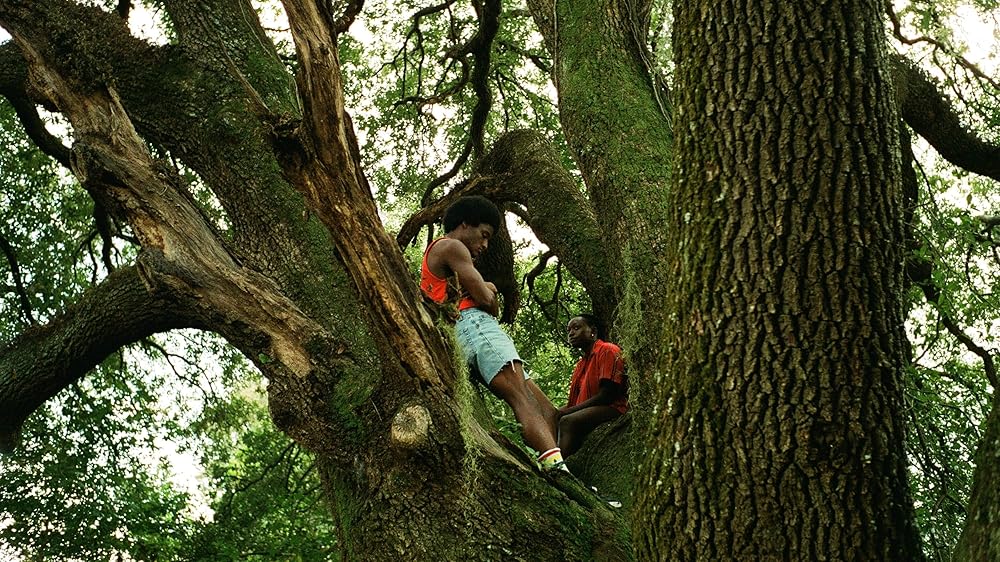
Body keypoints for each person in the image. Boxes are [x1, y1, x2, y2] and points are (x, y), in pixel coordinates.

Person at [420, 195, 566, 470]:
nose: (485, 245)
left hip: (459, 334)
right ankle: (557, 468)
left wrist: (484, 289)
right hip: (474, 325)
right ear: (465, 224)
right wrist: (486, 288)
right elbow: (488, 304)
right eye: (483, 235)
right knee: (521, 398)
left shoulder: (437, 256)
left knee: (539, 402)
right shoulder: (452, 247)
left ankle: (562, 458)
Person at [558, 314, 629, 456]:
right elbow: (574, 402)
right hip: (591, 409)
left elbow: (607, 395)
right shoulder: (581, 364)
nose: (571, 333)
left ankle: (558, 469)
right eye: (569, 330)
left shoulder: (607, 350)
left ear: (593, 331)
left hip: (613, 407)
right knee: (552, 417)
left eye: (576, 328)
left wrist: (568, 412)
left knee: (567, 421)